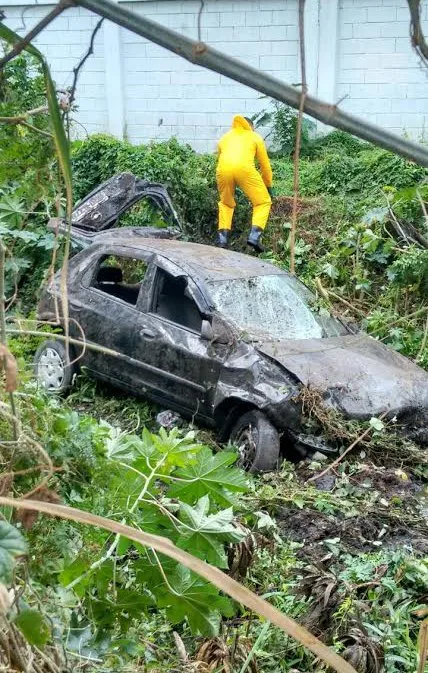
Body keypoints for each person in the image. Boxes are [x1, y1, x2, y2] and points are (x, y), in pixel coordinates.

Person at [216, 115, 273, 252]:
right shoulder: (254, 136)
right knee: (263, 202)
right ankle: (254, 237)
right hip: (244, 169)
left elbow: (220, 158)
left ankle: (222, 239)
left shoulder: (225, 138)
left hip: (223, 170)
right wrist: (268, 186)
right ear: (251, 127)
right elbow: (265, 166)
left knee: (226, 203)